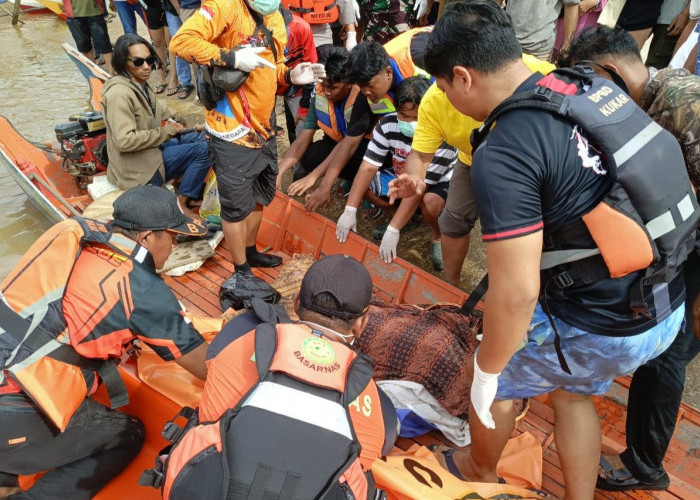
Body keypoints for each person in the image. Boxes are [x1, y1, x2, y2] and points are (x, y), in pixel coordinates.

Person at [391, 2, 695, 497]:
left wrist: (487, 373)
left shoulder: (504, 148)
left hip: (602, 323)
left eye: (444, 88)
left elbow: (516, 292)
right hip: (663, 305)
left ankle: (477, 469)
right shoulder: (584, 86)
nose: (445, 98)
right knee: (573, 393)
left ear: (463, 77)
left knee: (494, 374)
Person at [0, 186, 209, 499]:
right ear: (147, 238)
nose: (175, 245)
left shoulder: (80, 242)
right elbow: (206, 366)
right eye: (173, 237)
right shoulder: (143, 290)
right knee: (129, 434)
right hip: (13, 406)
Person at [565, 25, 700, 492]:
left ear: (606, 72)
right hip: (686, 244)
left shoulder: (682, 104)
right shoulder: (654, 100)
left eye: (589, 84)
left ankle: (647, 466)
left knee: (668, 356)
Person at [165, 255, 398, 498]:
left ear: (296, 302)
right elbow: (380, 444)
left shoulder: (242, 338)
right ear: (361, 323)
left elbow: (212, 367)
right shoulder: (366, 392)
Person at [170, 0, 325, 281]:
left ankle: (251, 251)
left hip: (264, 127)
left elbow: (273, 70)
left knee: (259, 195)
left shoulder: (276, 15)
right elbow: (180, 42)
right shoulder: (224, 6)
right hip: (231, 130)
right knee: (234, 206)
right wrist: (229, 57)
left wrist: (291, 74)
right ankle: (241, 269)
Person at [394, 51, 555, 288]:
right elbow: (420, 154)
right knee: (452, 221)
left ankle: (526, 291)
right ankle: (450, 287)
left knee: (519, 234)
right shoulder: (433, 101)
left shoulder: (536, 73)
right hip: (472, 160)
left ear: (464, 79)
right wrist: (415, 176)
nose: (439, 93)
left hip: (533, 165)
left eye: (444, 87)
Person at [301, 27, 432, 213]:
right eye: (361, 87)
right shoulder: (367, 89)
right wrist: (325, 186)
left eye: (369, 86)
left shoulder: (421, 64)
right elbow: (350, 141)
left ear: (388, 72)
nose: (365, 93)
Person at [336, 76, 455, 271]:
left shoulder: (443, 134)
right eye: (403, 116)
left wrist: (393, 230)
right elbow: (368, 167)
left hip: (434, 183)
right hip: (401, 176)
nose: (409, 123)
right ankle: (401, 218)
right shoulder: (387, 124)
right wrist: (350, 210)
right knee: (362, 184)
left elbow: (419, 187)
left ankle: (437, 235)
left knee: (430, 204)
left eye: (416, 118)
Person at [101, 34, 211, 217]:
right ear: (123, 62)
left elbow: (159, 110)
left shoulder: (140, 85)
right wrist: (167, 132)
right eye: (138, 62)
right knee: (206, 149)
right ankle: (182, 203)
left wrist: (179, 118)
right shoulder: (119, 95)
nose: (146, 67)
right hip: (138, 168)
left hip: (150, 150)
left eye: (149, 60)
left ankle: (188, 188)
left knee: (203, 136)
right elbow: (124, 141)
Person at [278, 47, 375, 192]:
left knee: (359, 168)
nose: (327, 92)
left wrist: (313, 177)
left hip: (362, 148)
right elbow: (303, 139)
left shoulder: (361, 97)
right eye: (323, 86)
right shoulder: (320, 93)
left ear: (349, 82)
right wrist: (279, 172)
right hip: (337, 142)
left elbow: (348, 144)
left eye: (333, 87)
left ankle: (364, 187)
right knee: (309, 156)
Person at [107, 0, 171, 93]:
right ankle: (141, 76)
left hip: (142, 2)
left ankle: (162, 64)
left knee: (158, 35)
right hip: (121, 1)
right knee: (130, 35)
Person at [277, 7, 318, 143]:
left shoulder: (301, 28)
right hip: (266, 85)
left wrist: (305, 107)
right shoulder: (254, 33)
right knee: (265, 131)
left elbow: (311, 70)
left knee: (301, 129)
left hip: (297, 85)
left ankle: (300, 163)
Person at [499, 0, 581, 61]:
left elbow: (571, 5)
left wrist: (566, 45)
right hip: (507, 42)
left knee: (536, 83)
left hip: (540, 48)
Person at [62, 0, 114, 74]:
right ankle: (94, 71)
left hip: (95, 12)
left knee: (104, 43)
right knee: (83, 45)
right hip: (74, 15)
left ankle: (111, 72)